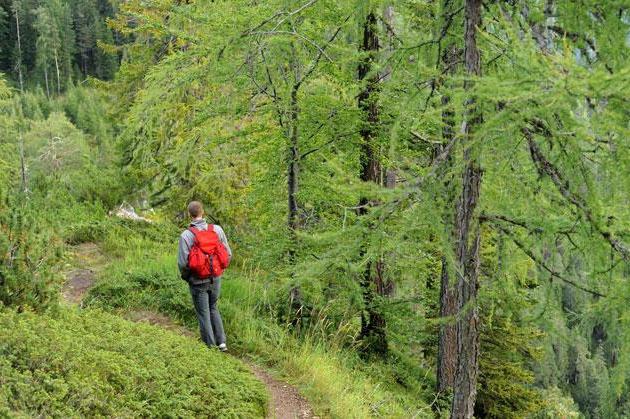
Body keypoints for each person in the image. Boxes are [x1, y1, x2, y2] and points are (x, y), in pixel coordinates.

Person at [177, 201, 232, 351]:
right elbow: (228, 254)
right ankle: (222, 343)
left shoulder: (186, 235)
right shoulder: (217, 230)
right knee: (213, 307)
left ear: (190, 214)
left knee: (203, 313)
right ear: (203, 212)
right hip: (216, 278)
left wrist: (188, 277)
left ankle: (210, 347)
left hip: (197, 280)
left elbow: (183, 263)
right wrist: (218, 270)